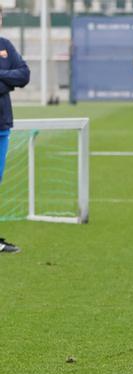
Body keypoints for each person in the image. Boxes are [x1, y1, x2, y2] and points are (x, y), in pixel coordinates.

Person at [0, 5, 30, 254]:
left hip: (2, 125)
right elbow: (13, 79)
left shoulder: (5, 45)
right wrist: (6, 80)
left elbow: (24, 75)